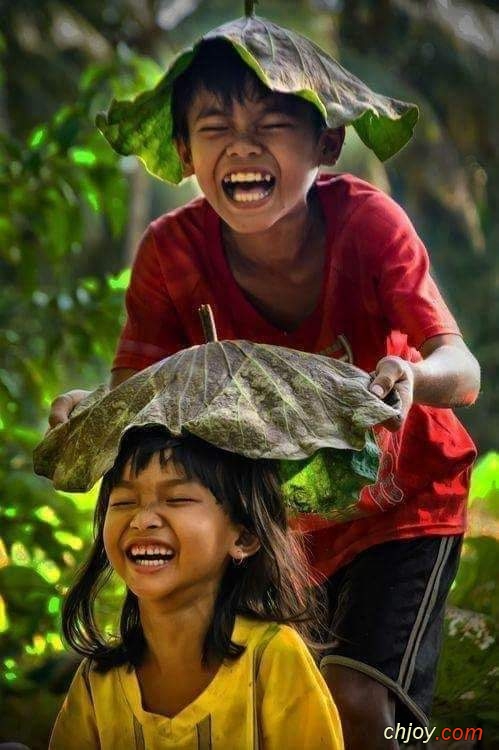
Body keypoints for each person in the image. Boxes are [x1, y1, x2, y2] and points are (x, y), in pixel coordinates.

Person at [48, 39, 480, 749]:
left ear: (327, 143)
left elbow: (459, 370)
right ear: (185, 153)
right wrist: (88, 412)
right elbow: (138, 398)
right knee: (267, 699)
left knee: (361, 709)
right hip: (265, 523)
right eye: (214, 128)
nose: (241, 146)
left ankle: (437, 739)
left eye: (271, 125)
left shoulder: (369, 226)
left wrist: (412, 380)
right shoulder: (169, 253)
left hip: (403, 507)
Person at [49, 425, 343, 749]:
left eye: (177, 499)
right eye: (123, 502)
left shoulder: (273, 656)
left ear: (244, 536)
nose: (142, 519)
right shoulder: (97, 680)